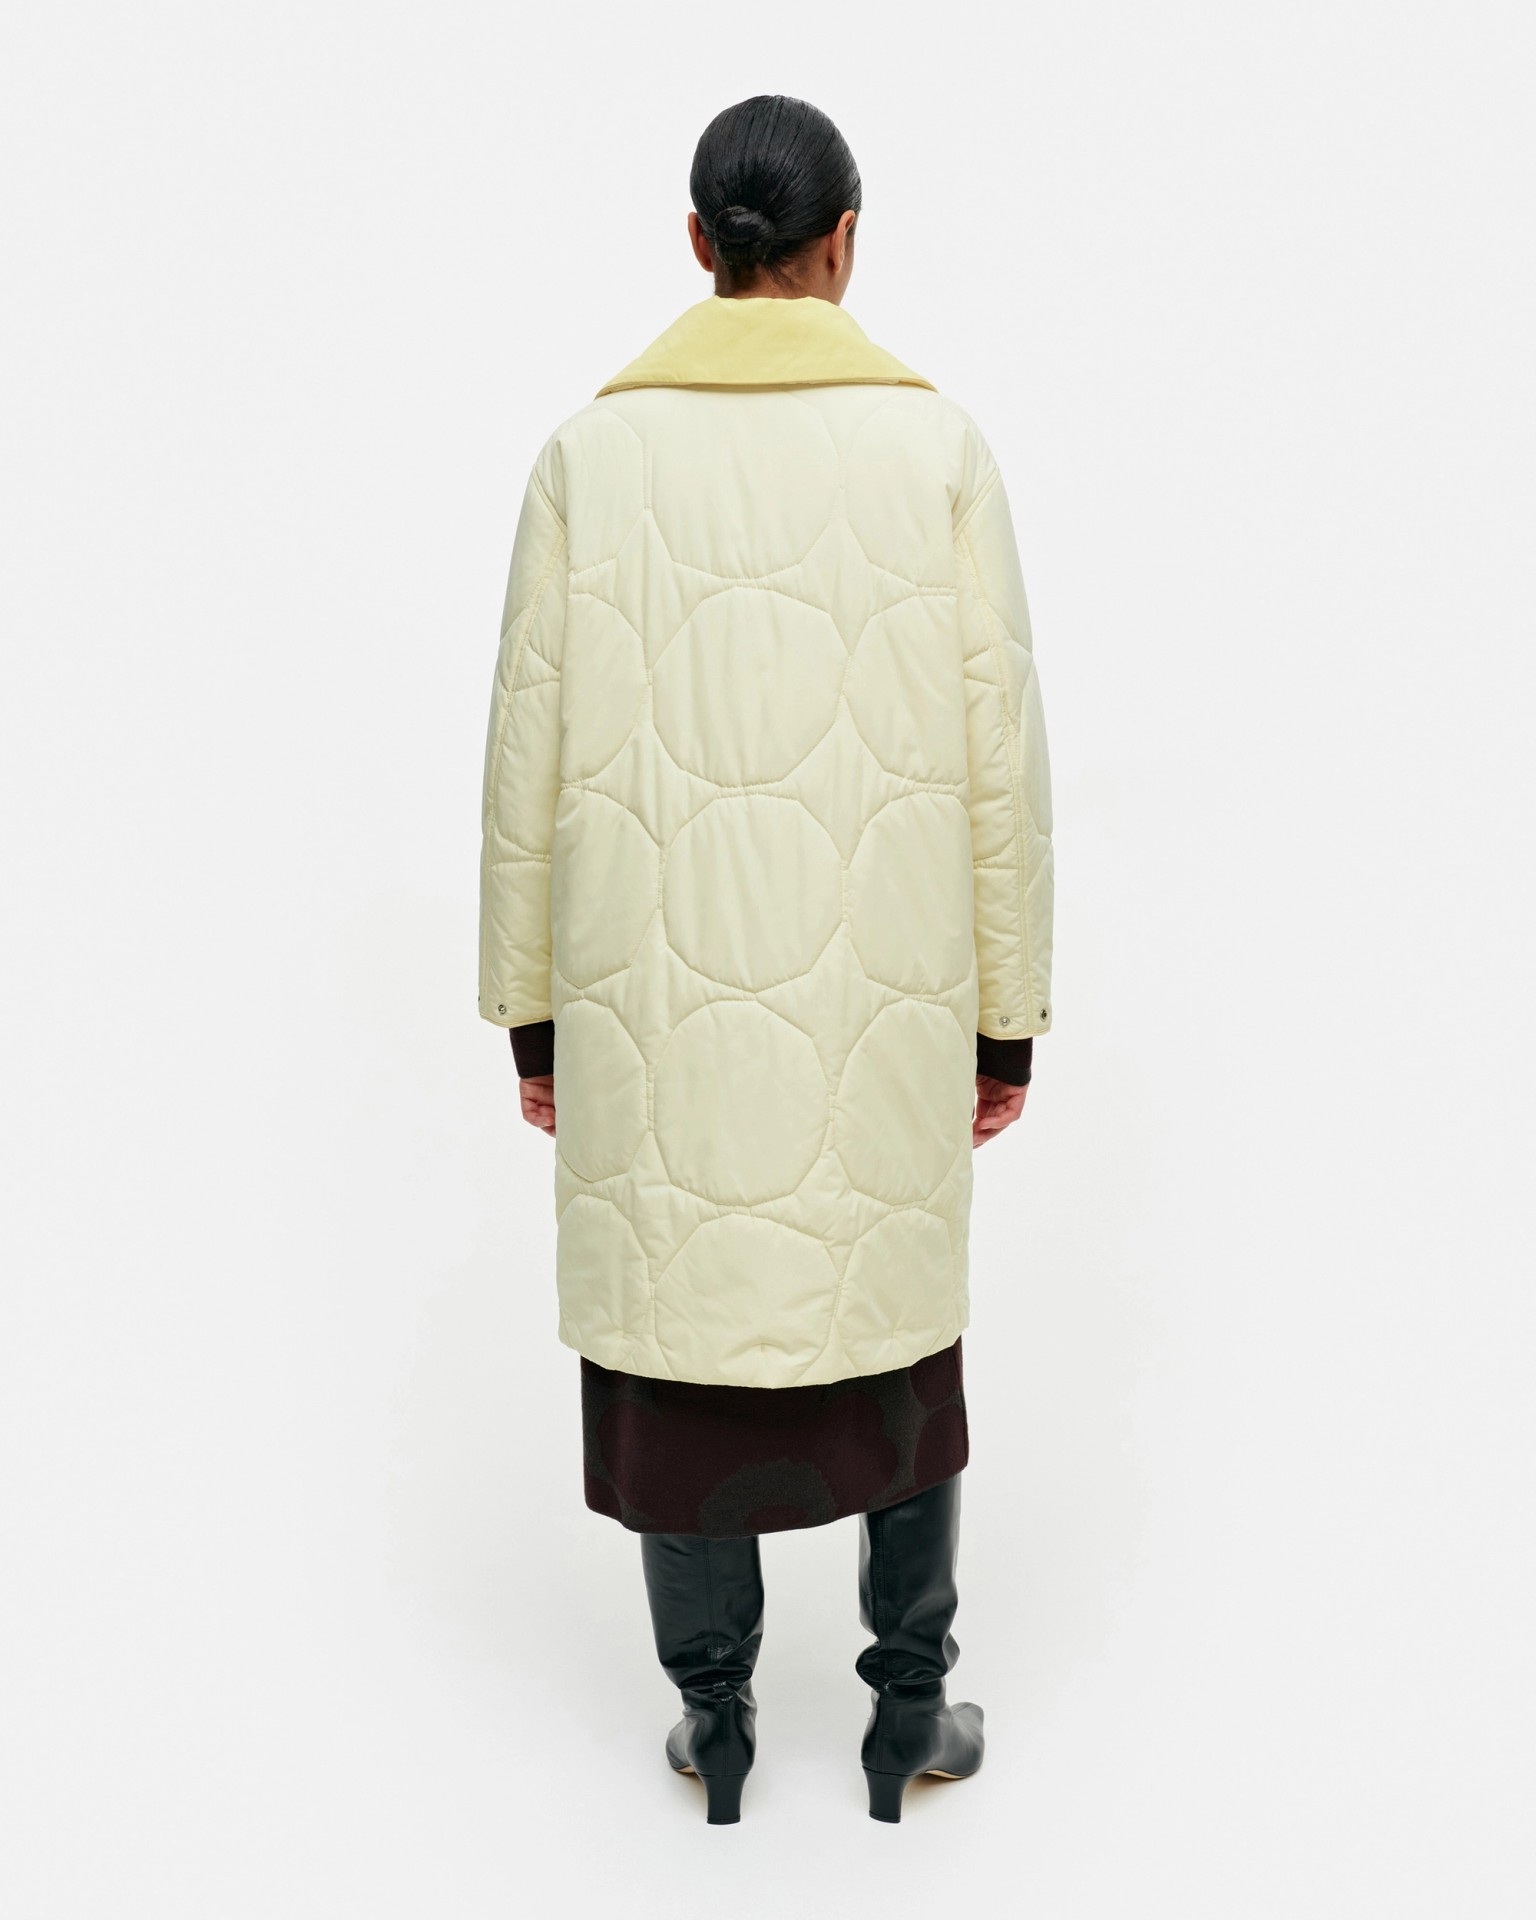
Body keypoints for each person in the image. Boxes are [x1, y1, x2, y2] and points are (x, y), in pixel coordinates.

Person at [478, 93, 1053, 1825]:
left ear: (695, 244)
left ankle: (713, 1724)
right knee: (894, 1312)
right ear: (846, 242)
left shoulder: (587, 458)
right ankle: (907, 1718)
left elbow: (523, 758)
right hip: (886, 1004)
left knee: (678, 1321)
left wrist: (532, 1017)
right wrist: (1005, 1024)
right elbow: (1001, 762)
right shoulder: (937, 449)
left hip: (646, 1012)